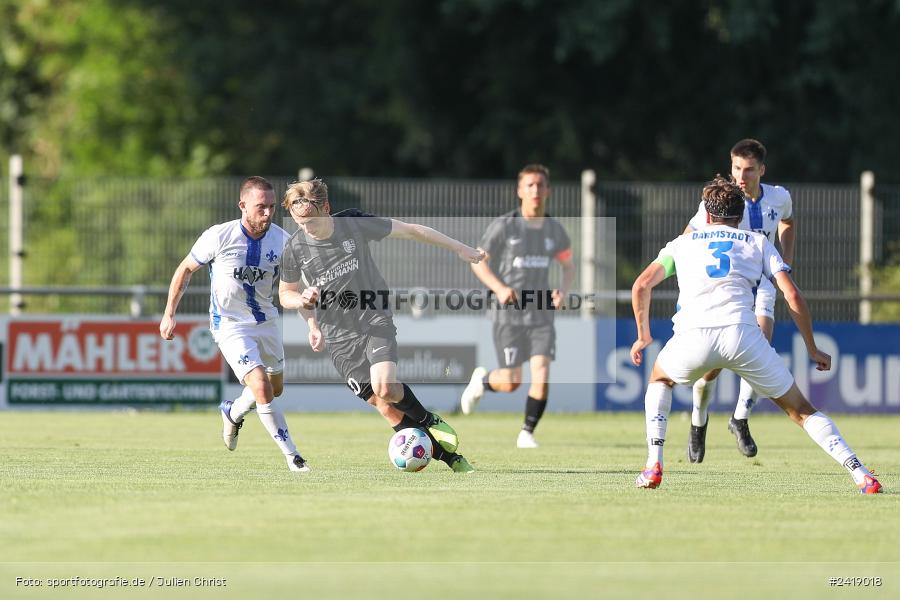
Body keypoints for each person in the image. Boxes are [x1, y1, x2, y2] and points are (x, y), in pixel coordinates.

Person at [630, 175, 881, 494]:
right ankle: (861, 474)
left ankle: (654, 464)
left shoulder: (681, 244)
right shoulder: (757, 242)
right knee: (802, 411)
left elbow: (641, 285)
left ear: (706, 215)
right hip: (743, 337)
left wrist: (643, 335)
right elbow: (792, 296)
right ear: (740, 216)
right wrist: (812, 348)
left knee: (660, 380)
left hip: (693, 337)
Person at [277, 178, 484, 473]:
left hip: (373, 315)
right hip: (338, 336)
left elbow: (412, 231)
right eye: (299, 222)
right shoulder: (294, 248)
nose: (306, 228)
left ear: (325, 207)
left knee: (385, 386)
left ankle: (428, 420)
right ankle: (451, 458)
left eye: (310, 221)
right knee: (385, 407)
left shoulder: (353, 224)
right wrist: (306, 310)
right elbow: (286, 294)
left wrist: (458, 247)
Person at [159, 176, 310, 473]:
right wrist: (169, 313)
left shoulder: (282, 241)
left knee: (274, 388)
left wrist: (313, 324)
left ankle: (233, 412)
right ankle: (293, 457)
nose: (267, 214)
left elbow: (294, 289)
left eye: (270, 207)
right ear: (242, 205)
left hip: (266, 321)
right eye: (260, 207)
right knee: (261, 387)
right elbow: (185, 269)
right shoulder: (219, 236)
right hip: (229, 325)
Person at [683, 139, 795, 461]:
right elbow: (688, 238)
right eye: (736, 169)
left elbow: (788, 221)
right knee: (711, 370)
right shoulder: (719, 202)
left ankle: (740, 418)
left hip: (762, 286)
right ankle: (698, 421)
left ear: (762, 169)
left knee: (762, 349)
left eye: (748, 170)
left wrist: (785, 260)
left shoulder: (779, 197)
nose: (740, 177)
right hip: (728, 290)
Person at [459, 164, 575, 449]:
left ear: (548, 190)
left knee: (542, 373)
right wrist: (499, 288)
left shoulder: (555, 230)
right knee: (511, 381)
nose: (536, 190)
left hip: (541, 314)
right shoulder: (504, 226)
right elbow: (478, 261)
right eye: (530, 185)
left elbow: (568, 266)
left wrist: (563, 290)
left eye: (540, 185)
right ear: (520, 191)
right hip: (508, 314)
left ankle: (527, 432)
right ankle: (484, 382)